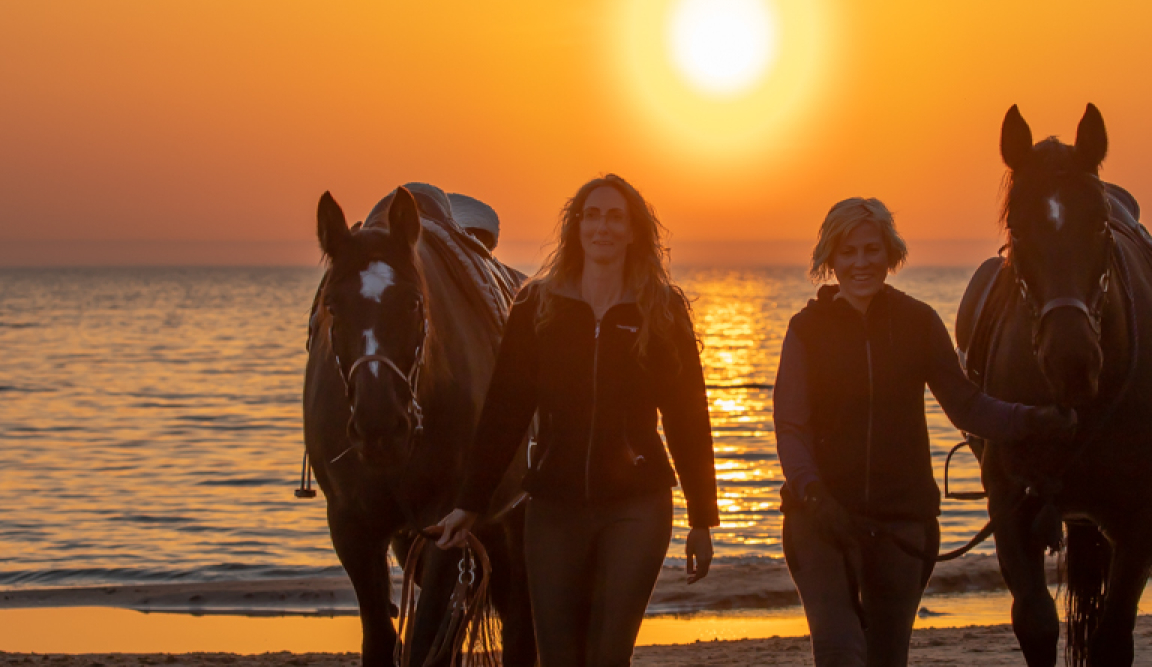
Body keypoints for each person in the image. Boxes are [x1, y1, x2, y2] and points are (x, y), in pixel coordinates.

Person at [430, 174, 718, 667]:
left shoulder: (662, 309)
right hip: (554, 507)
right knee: (558, 655)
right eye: (592, 215)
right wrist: (469, 504)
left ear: (633, 231)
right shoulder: (537, 305)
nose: (602, 226)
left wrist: (702, 517)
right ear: (576, 227)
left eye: (615, 216)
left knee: (609, 654)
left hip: (638, 506)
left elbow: (688, 416)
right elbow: (505, 411)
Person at [774, 198, 1075, 667]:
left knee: (886, 659)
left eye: (871, 249)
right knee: (837, 652)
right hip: (821, 523)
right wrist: (813, 495)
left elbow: (968, 406)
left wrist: (1034, 421)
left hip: (902, 525)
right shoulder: (806, 330)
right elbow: (791, 427)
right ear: (830, 258)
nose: (860, 262)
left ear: (890, 253)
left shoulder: (919, 322)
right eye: (847, 251)